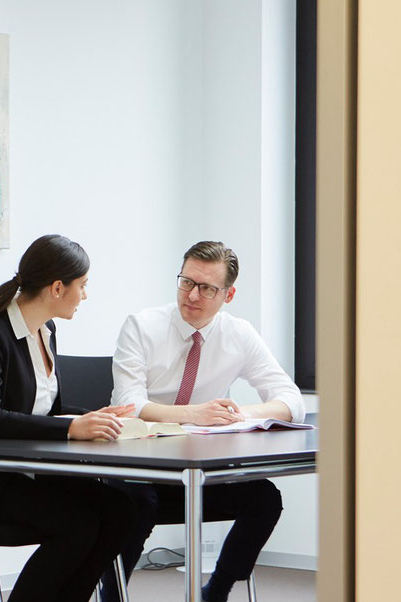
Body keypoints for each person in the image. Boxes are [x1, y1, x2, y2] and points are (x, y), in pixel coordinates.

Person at [0, 234, 138, 602]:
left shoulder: (46, 330)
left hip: (24, 474)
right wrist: (71, 428)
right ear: (58, 288)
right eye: (82, 286)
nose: (85, 295)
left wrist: (95, 418)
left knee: (121, 509)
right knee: (78, 525)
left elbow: (47, 411)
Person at [100, 240, 306, 602]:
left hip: (197, 470)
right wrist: (193, 414)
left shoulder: (238, 334)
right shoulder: (142, 326)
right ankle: (112, 596)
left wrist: (239, 414)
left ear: (228, 294)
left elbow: (291, 400)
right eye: (186, 282)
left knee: (264, 500)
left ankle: (216, 593)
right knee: (136, 504)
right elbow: (130, 404)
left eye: (207, 288)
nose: (192, 295)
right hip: (136, 466)